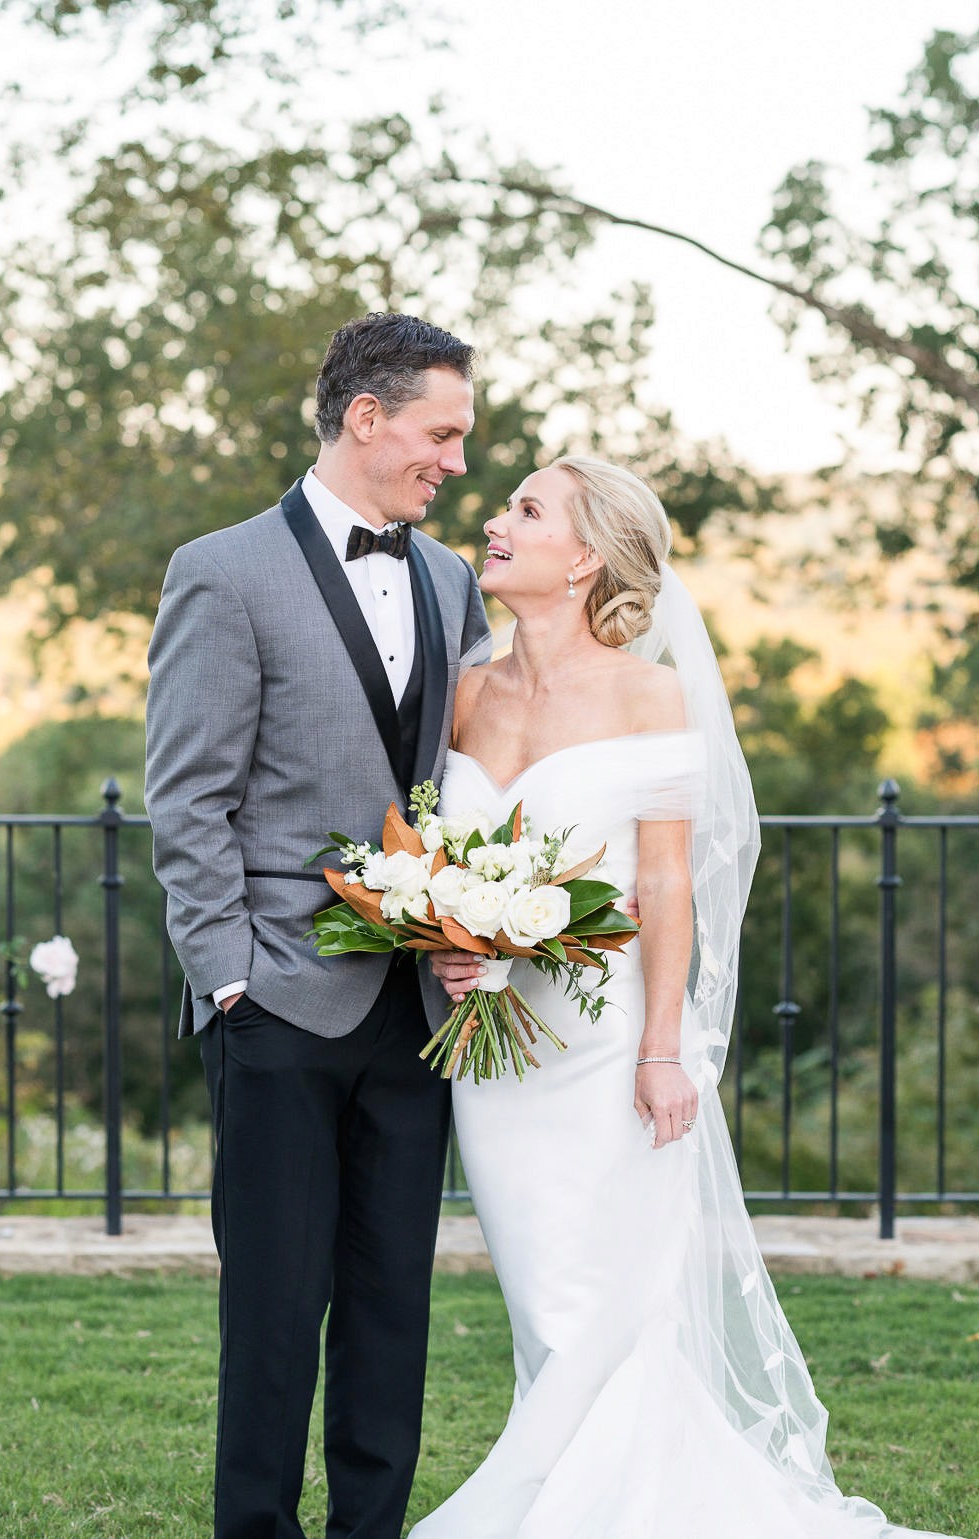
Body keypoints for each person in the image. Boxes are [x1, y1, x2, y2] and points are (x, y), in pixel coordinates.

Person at [414, 457, 961, 1539]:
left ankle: (539, 1514)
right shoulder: (468, 688)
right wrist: (451, 939)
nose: (493, 519)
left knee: (603, 1301)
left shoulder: (647, 693)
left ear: (584, 560)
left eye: (526, 508)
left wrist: (665, 1052)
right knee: (541, 1297)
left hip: (604, 1045)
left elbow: (664, 882)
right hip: (495, 1052)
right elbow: (442, 852)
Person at [144, 312, 489, 1539]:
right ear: (366, 417)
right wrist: (230, 977)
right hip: (280, 1002)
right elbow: (186, 797)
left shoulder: (451, 581)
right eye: (440, 434)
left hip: (419, 1005)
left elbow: (469, 783)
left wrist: (477, 928)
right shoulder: (222, 570)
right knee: (278, 1312)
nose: (454, 462)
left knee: (394, 1302)